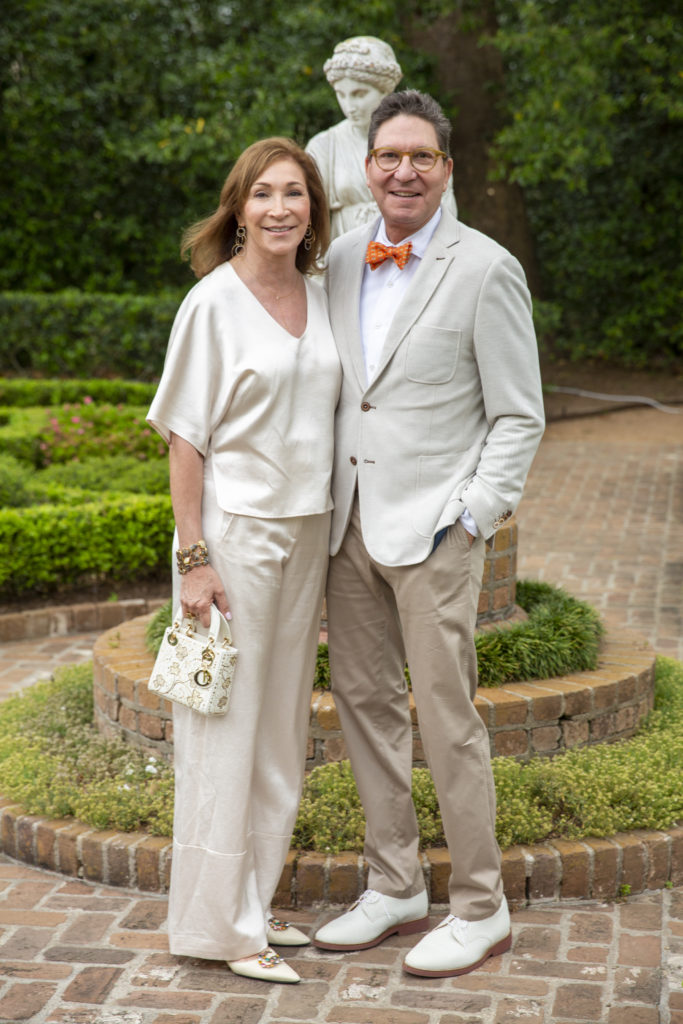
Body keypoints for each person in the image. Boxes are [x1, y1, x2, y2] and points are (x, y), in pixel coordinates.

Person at [313, 91, 545, 978]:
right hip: (349, 530)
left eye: (420, 156)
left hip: (437, 533)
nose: (402, 171)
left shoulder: (485, 268)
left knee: (447, 721)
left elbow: (519, 414)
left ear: (447, 168)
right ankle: (394, 884)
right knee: (366, 713)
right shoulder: (336, 258)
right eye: (387, 157)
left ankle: (479, 906)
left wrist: (473, 516)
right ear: (366, 168)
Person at [147, 138, 340, 985]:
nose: (278, 208)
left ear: (312, 210)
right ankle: (220, 929)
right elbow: (183, 437)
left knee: (278, 732)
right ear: (238, 208)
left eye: (293, 193)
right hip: (232, 540)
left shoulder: (323, 295)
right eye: (262, 194)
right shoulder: (212, 304)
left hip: (306, 539)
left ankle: (251, 901)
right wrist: (194, 559)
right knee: (223, 731)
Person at [306, 36, 456, 241]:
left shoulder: (423, 142)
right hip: (346, 259)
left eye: (359, 94)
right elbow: (310, 219)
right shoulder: (323, 146)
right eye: (341, 94)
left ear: (385, 90)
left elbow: (446, 211)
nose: (349, 105)